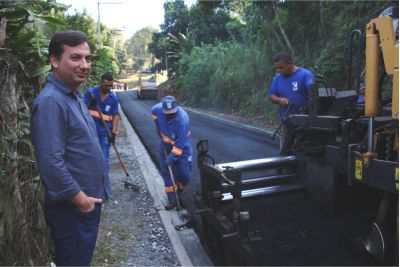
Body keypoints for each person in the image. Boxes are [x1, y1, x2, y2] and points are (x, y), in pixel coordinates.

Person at [30, 30, 111, 266]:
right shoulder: (51, 101)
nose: (84, 65)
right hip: (73, 210)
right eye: (75, 58)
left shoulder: (73, 95)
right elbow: (51, 164)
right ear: (54, 61)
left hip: (83, 206)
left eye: (87, 58)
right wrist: (82, 201)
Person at [268, 52, 314, 154]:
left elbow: (312, 89)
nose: (278, 70)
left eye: (281, 67)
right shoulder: (277, 79)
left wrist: (311, 90)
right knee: (285, 152)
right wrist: (280, 100)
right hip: (287, 122)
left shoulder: (305, 74)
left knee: (303, 152)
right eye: (277, 68)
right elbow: (271, 96)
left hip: (304, 123)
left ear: (290, 63)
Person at [151, 95, 192, 210]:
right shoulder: (157, 109)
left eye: (172, 112)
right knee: (168, 172)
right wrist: (157, 127)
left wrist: (171, 158)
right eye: (167, 113)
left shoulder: (183, 119)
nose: (169, 114)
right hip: (165, 146)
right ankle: (172, 198)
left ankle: (178, 191)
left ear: (176, 108)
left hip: (183, 147)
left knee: (185, 175)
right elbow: (154, 115)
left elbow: (180, 144)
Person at [84, 72, 120, 174]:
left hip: (105, 132)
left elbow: (116, 116)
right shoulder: (91, 93)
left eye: (110, 85)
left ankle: (104, 182)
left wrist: (113, 133)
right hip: (90, 130)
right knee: (91, 157)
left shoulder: (113, 98)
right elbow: (81, 107)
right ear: (100, 83)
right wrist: (90, 103)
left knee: (104, 159)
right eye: (106, 85)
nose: (108, 88)